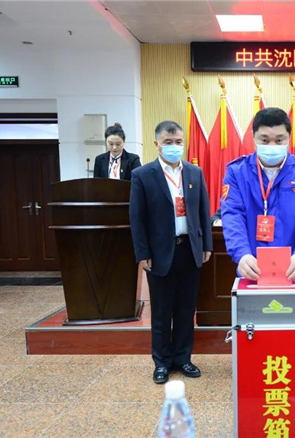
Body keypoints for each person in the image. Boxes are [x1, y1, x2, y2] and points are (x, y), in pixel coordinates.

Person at [129, 120, 212, 384]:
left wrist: (206, 245)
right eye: (168, 142)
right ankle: (162, 362)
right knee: (162, 311)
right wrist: (142, 253)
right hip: (159, 253)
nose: (174, 146)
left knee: (186, 310)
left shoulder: (194, 173)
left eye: (178, 142)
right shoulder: (143, 175)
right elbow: (137, 218)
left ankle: (183, 359)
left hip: (190, 249)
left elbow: (203, 212)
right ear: (157, 144)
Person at [221, 107, 295, 281]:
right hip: (251, 268)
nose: (272, 146)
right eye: (265, 140)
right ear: (253, 138)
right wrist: (242, 254)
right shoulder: (236, 172)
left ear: (289, 138)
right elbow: (232, 215)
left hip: (294, 268)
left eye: (279, 140)